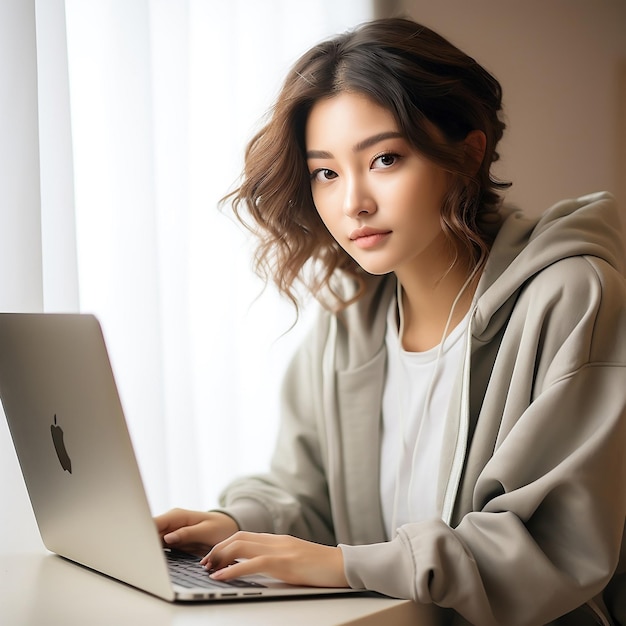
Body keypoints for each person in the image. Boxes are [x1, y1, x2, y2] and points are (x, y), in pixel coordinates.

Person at [155, 17, 626, 626]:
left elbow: (554, 549)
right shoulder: (350, 322)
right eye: (326, 171)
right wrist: (233, 524)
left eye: (383, 159)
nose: (353, 202)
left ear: (466, 153)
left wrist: (343, 566)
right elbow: (307, 496)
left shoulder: (571, 296)